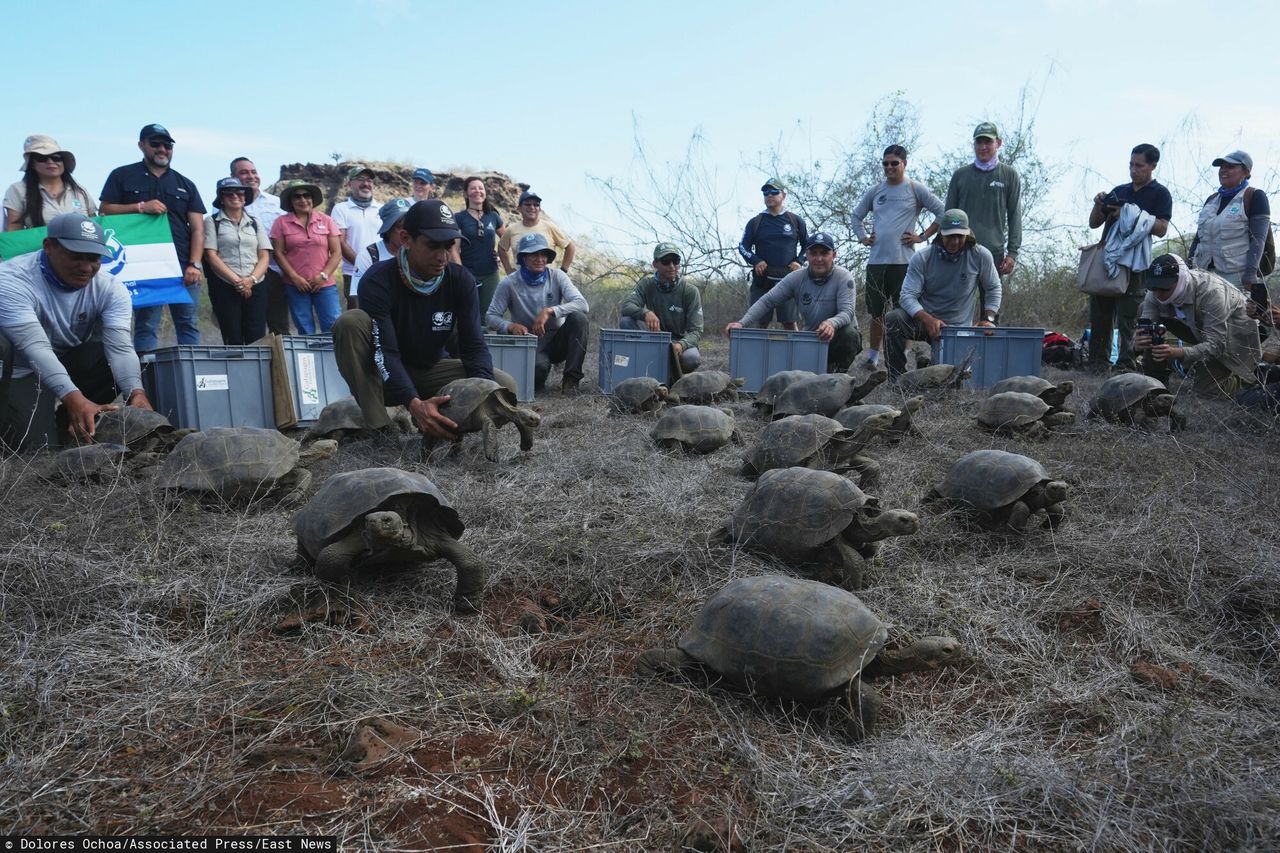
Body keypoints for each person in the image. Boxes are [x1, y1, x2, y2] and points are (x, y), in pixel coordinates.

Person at [331, 198, 518, 449]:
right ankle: (381, 427)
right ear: (406, 239)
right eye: (432, 246)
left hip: (431, 369)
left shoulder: (460, 280)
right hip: (382, 374)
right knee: (350, 322)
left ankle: (445, 426)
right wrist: (413, 403)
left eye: (448, 246)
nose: (442, 257)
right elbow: (386, 351)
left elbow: (473, 345)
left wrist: (483, 392)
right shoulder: (378, 281)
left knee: (503, 386)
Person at [0, 213, 152, 449]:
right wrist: (72, 396)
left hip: (66, 358)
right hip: (22, 368)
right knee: (36, 452)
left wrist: (136, 393)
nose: (86, 267)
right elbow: (35, 348)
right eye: (76, 257)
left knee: (114, 355)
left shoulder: (110, 289)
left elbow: (121, 348)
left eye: (94, 259)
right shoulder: (11, 280)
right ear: (49, 247)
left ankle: (70, 422)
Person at [98, 123, 206, 351]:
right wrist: (139, 206)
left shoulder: (186, 184)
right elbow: (104, 211)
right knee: (146, 325)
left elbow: (198, 228)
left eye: (167, 145)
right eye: (155, 144)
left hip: (183, 264)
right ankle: (146, 379)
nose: (162, 149)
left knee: (188, 323)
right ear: (141, 145)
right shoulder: (122, 175)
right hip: (144, 265)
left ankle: (192, 376)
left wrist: (194, 264)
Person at [849, 146, 945, 368]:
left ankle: (906, 353)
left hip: (904, 262)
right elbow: (856, 216)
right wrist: (863, 237)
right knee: (877, 312)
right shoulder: (876, 191)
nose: (889, 167)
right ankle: (873, 357)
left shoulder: (914, 188)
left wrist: (922, 237)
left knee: (904, 312)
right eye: (885, 163)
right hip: (876, 262)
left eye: (894, 163)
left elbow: (942, 211)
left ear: (904, 164)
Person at [883, 210, 1002, 377]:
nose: (955, 241)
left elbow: (993, 287)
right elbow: (907, 295)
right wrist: (928, 319)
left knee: (951, 378)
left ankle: (926, 362)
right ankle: (897, 380)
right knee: (894, 319)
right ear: (941, 234)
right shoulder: (923, 257)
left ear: (967, 234)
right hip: (925, 322)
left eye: (960, 236)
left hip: (958, 329)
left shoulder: (980, 255)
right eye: (950, 236)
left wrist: (989, 319)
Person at [1086, 143, 1172, 370]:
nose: (1134, 170)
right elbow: (1095, 223)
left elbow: (1162, 228)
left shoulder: (1160, 194)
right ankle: (1097, 361)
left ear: (1152, 166)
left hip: (1135, 262)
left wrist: (1129, 214)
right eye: (1131, 165)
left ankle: (1126, 362)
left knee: (1130, 314)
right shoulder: (1120, 190)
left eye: (1139, 165)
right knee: (1101, 312)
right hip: (1109, 258)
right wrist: (1099, 205)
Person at [725, 232, 861, 373]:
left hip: (840, 337)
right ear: (806, 255)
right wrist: (742, 323)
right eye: (813, 253)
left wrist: (831, 323)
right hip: (814, 338)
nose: (818, 258)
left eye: (824, 253)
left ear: (833, 255)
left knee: (849, 334)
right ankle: (825, 368)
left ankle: (840, 374)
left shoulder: (844, 276)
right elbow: (767, 301)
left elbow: (847, 312)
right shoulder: (796, 278)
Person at [1135, 254, 1260, 397]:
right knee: (1145, 316)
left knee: (1206, 391)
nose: (1158, 294)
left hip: (1234, 337)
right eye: (1154, 287)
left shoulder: (1212, 292)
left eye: (1164, 288)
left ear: (1181, 279)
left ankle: (1250, 377)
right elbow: (1143, 331)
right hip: (1198, 329)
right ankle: (1156, 376)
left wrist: (1179, 353)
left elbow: (1216, 345)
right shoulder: (1155, 294)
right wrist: (1138, 344)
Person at [488, 233, 590, 393]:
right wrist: (510, 326)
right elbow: (491, 316)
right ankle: (538, 374)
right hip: (530, 343)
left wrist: (551, 311)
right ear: (522, 258)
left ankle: (571, 380)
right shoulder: (509, 283)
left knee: (579, 319)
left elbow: (582, 304)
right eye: (533, 254)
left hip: (557, 339)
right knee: (537, 375)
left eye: (543, 254)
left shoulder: (558, 276)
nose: (540, 259)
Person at [1188, 150, 1271, 307]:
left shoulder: (1254, 196)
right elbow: (1198, 238)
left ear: (1246, 171)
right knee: (1204, 321)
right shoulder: (1211, 200)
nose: (1223, 170)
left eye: (1230, 167)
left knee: (1237, 323)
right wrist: (1188, 266)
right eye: (1221, 167)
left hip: (1236, 276)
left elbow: (1258, 239)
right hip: (1203, 274)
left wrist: (1250, 274)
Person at [945, 122, 1022, 277]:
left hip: (994, 253)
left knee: (992, 300)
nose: (983, 147)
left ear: (998, 143)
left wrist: (1012, 253)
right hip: (961, 250)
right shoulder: (960, 175)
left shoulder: (1009, 175)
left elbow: (1015, 216)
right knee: (958, 300)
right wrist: (944, 246)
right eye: (979, 142)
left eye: (988, 141)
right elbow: (948, 214)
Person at [202, 177, 270, 345]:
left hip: (256, 284)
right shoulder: (211, 221)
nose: (235, 196)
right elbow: (211, 255)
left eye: (240, 193)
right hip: (225, 285)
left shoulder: (255, 222)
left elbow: (264, 256)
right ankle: (237, 371)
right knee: (232, 335)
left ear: (245, 197)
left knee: (258, 336)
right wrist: (238, 282)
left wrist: (250, 280)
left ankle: (257, 371)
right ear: (221, 199)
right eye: (229, 193)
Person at [619, 242, 704, 374]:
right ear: (655, 264)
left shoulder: (690, 291)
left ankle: (672, 375)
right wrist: (645, 313)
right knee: (626, 321)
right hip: (652, 338)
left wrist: (682, 345)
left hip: (676, 342)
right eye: (665, 261)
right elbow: (627, 306)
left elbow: (696, 331)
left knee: (692, 358)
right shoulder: (647, 283)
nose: (671, 266)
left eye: (675, 261)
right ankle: (644, 368)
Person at [270, 181, 342, 335]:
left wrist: (323, 276)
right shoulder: (281, 223)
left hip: (325, 284)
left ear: (312, 198)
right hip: (295, 285)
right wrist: (295, 278)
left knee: (333, 324)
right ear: (290, 201)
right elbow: (278, 253)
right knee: (304, 328)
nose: (302, 200)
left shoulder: (327, 220)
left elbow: (336, 253)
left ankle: (334, 359)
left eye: (306, 195)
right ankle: (311, 359)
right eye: (297, 196)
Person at [738, 177, 808, 330]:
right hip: (762, 281)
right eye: (765, 192)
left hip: (788, 280)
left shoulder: (795, 220)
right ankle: (758, 354)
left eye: (774, 191)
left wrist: (799, 261)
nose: (769, 195)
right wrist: (756, 260)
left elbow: (807, 245)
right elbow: (743, 247)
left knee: (789, 322)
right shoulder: (755, 222)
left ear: (783, 195)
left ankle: (795, 354)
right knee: (760, 321)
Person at [232, 156, 290, 334]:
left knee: (279, 326)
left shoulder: (276, 203)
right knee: (248, 326)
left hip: (274, 272)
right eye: (244, 173)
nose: (251, 176)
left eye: (253, 172)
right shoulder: (224, 206)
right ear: (233, 176)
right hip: (241, 274)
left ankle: (283, 361)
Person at [4, 135, 97, 230]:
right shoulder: (17, 190)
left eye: (56, 158)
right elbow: (14, 228)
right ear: (32, 164)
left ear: (63, 162)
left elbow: (94, 222)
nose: (50, 161)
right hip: (41, 244)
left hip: (82, 244)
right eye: (42, 158)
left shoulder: (80, 190)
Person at [331, 165, 381, 309]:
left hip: (383, 271)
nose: (366, 183)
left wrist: (378, 267)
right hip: (353, 273)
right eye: (360, 179)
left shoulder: (382, 209)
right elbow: (341, 241)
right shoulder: (341, 209)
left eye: (369, 180)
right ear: (349, 184)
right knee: (357, 315)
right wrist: (363, 263)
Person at [454, 176, 506, 315]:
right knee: (467, 313)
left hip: (490, 273)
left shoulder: (494, 216)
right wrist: (461, 273)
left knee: (489, 314)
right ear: (466, 193)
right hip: (467, 272)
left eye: (480, 188)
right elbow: (454, 249)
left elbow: (506, 240)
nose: (477, 191)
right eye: (473, 188)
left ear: (485, 192)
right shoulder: (459, 218)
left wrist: (500, 256)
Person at [351, 198, 413, 305]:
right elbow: (356, 296)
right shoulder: (369, 256)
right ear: (388, 229)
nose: (406, 232)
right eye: (400, 227)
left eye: (410, 226)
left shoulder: (417, 253)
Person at [497, 190, 575, 274]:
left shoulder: (550, 227)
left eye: (536, 205)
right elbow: (501, 248)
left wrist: (563, 270)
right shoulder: (511, 229)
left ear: (540, 209)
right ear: (519, 208)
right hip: (520, 281)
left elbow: (570, 246)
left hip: (547, 282)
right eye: (527, 204)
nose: (532, 207)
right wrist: (508, 269)